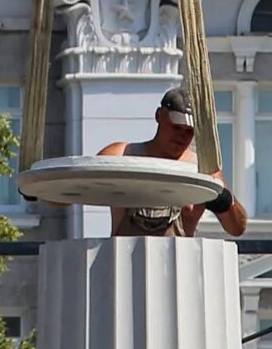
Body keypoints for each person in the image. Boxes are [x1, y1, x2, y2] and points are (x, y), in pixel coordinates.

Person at [98, 84, 248, 238]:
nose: (181, 136)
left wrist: (226, 202)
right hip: (123, 258)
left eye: (189, 131)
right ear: (159, 115)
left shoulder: (202, 170)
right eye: (176, 127)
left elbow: (237, 228)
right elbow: (74, 188)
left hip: (178, 260)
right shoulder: (121, 156)